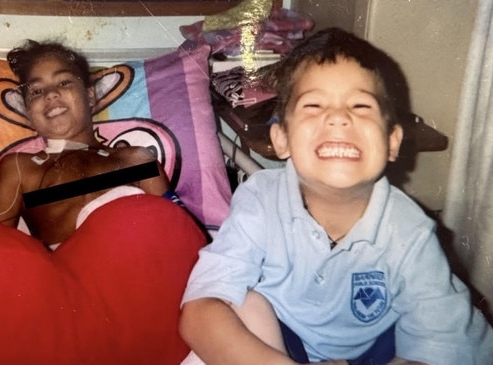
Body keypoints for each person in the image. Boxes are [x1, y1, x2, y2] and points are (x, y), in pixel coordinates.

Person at [179, 27, 493, 365]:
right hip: (279, 344)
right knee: (239, 306)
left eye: (360, 106)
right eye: (314, 105)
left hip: (375, 352)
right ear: (281, 138)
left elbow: (445, 346)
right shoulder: (259, 200)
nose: (339, 118)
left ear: (392, 142)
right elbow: (199, 311)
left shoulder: (410, 232)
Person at [0, 39, 175, 245]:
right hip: (65, 271)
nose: (51, 94)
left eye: (64, 82)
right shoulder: (22, 169)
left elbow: (176, 229)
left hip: (138, 263)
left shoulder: (136, 161)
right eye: (37, 91)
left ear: (90, 95)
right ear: (27, 112)